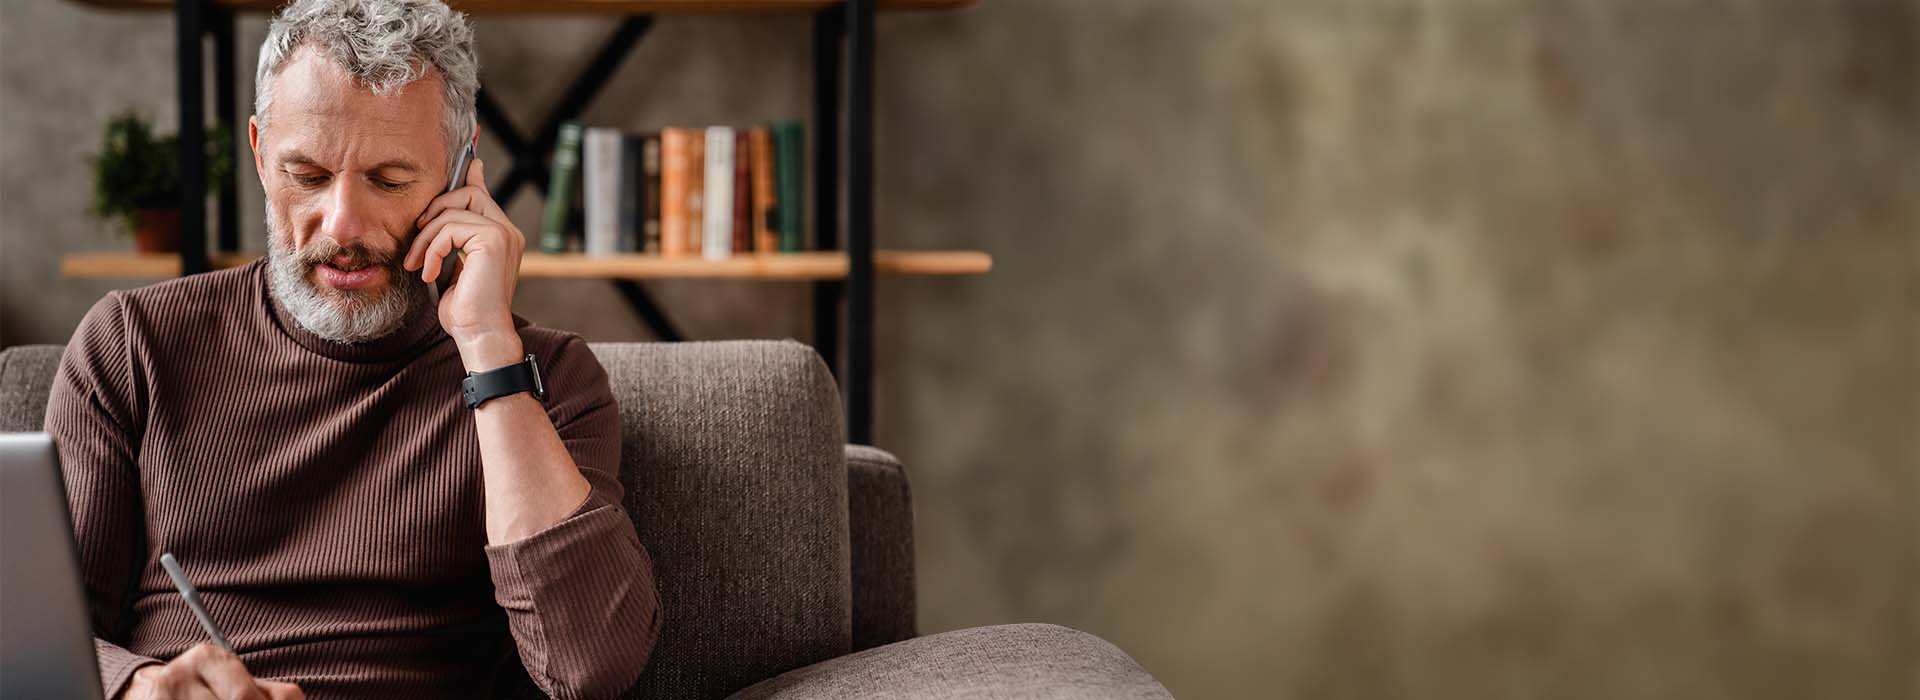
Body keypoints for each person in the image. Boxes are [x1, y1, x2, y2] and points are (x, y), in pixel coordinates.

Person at [44, 1, 661, 698]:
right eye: (306, 175)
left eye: (390, 180)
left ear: (460, 174)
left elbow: (591, 670)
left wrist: (488, 347)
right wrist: (140, 689)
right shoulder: (133, 345)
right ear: (258, 152)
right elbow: (37, 638)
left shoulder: (546, 378)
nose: (343, 223)